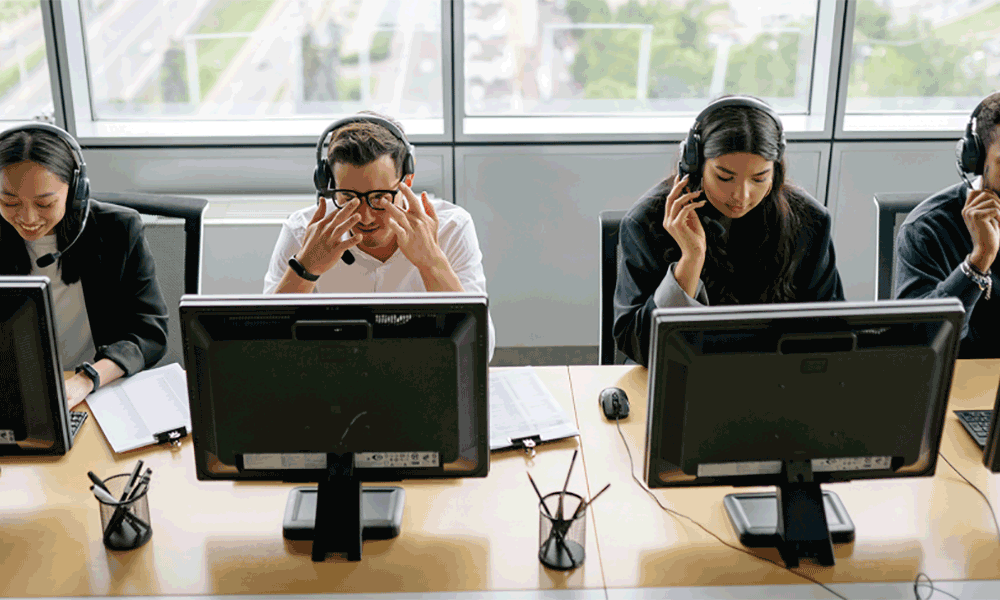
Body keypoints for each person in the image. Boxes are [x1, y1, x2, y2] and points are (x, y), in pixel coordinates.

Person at [613, 96, 844, 366]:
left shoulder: (810, 221)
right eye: (724, 177)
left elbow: (833, 331)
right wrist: (690, 261)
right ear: (695, 164)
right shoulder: (647, 222)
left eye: (759, 178)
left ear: (775, 171)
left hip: (774, 379)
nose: (741, 195)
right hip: (680, 374)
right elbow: (640, 348)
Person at [264, 112, 496, 359]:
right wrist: (304, 269)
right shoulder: (302, 233)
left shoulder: (452, 229)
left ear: (407, 179)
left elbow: (481, 351)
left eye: (380, 197)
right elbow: (263, 348)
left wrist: (432, 263)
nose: (365, 217)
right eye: (349, 198)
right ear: (328, 184)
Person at [0, 123, 168, 408]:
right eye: (9, 201)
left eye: (44, 204)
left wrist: (87, 379)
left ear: (76, 191)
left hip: (99, 389)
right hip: (13, 394)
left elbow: (149, 333)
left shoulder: (119, 231)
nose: (27, 218)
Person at [894, 93, 1000, 358]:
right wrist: (978, 262)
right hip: (965, 392)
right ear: (976, 161)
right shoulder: (926, 230)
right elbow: (917, 344)